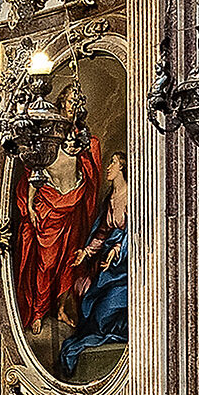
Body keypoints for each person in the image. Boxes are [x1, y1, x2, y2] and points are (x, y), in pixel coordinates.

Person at [14, 121, 102, 334]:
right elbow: (36, 180)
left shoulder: (77, 158)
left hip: (71, 212)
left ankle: (61, 308)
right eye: (69, 141)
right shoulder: (50, 156)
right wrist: (30, 207)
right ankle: (38, 312)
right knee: (46, 264)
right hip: (50, 214)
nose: (72, 145)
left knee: (67, 264)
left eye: (74, 142)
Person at [61, 152, 130, 377]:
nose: (108, 167)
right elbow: (102, 233)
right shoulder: (110, 198)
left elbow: (138, 231)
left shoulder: (133, 196)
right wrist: (86, 252)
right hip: (108, 268)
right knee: (84, 290)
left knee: (104, 317)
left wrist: (120, 249)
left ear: (122, 168)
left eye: (112, 163)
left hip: (128, 269)